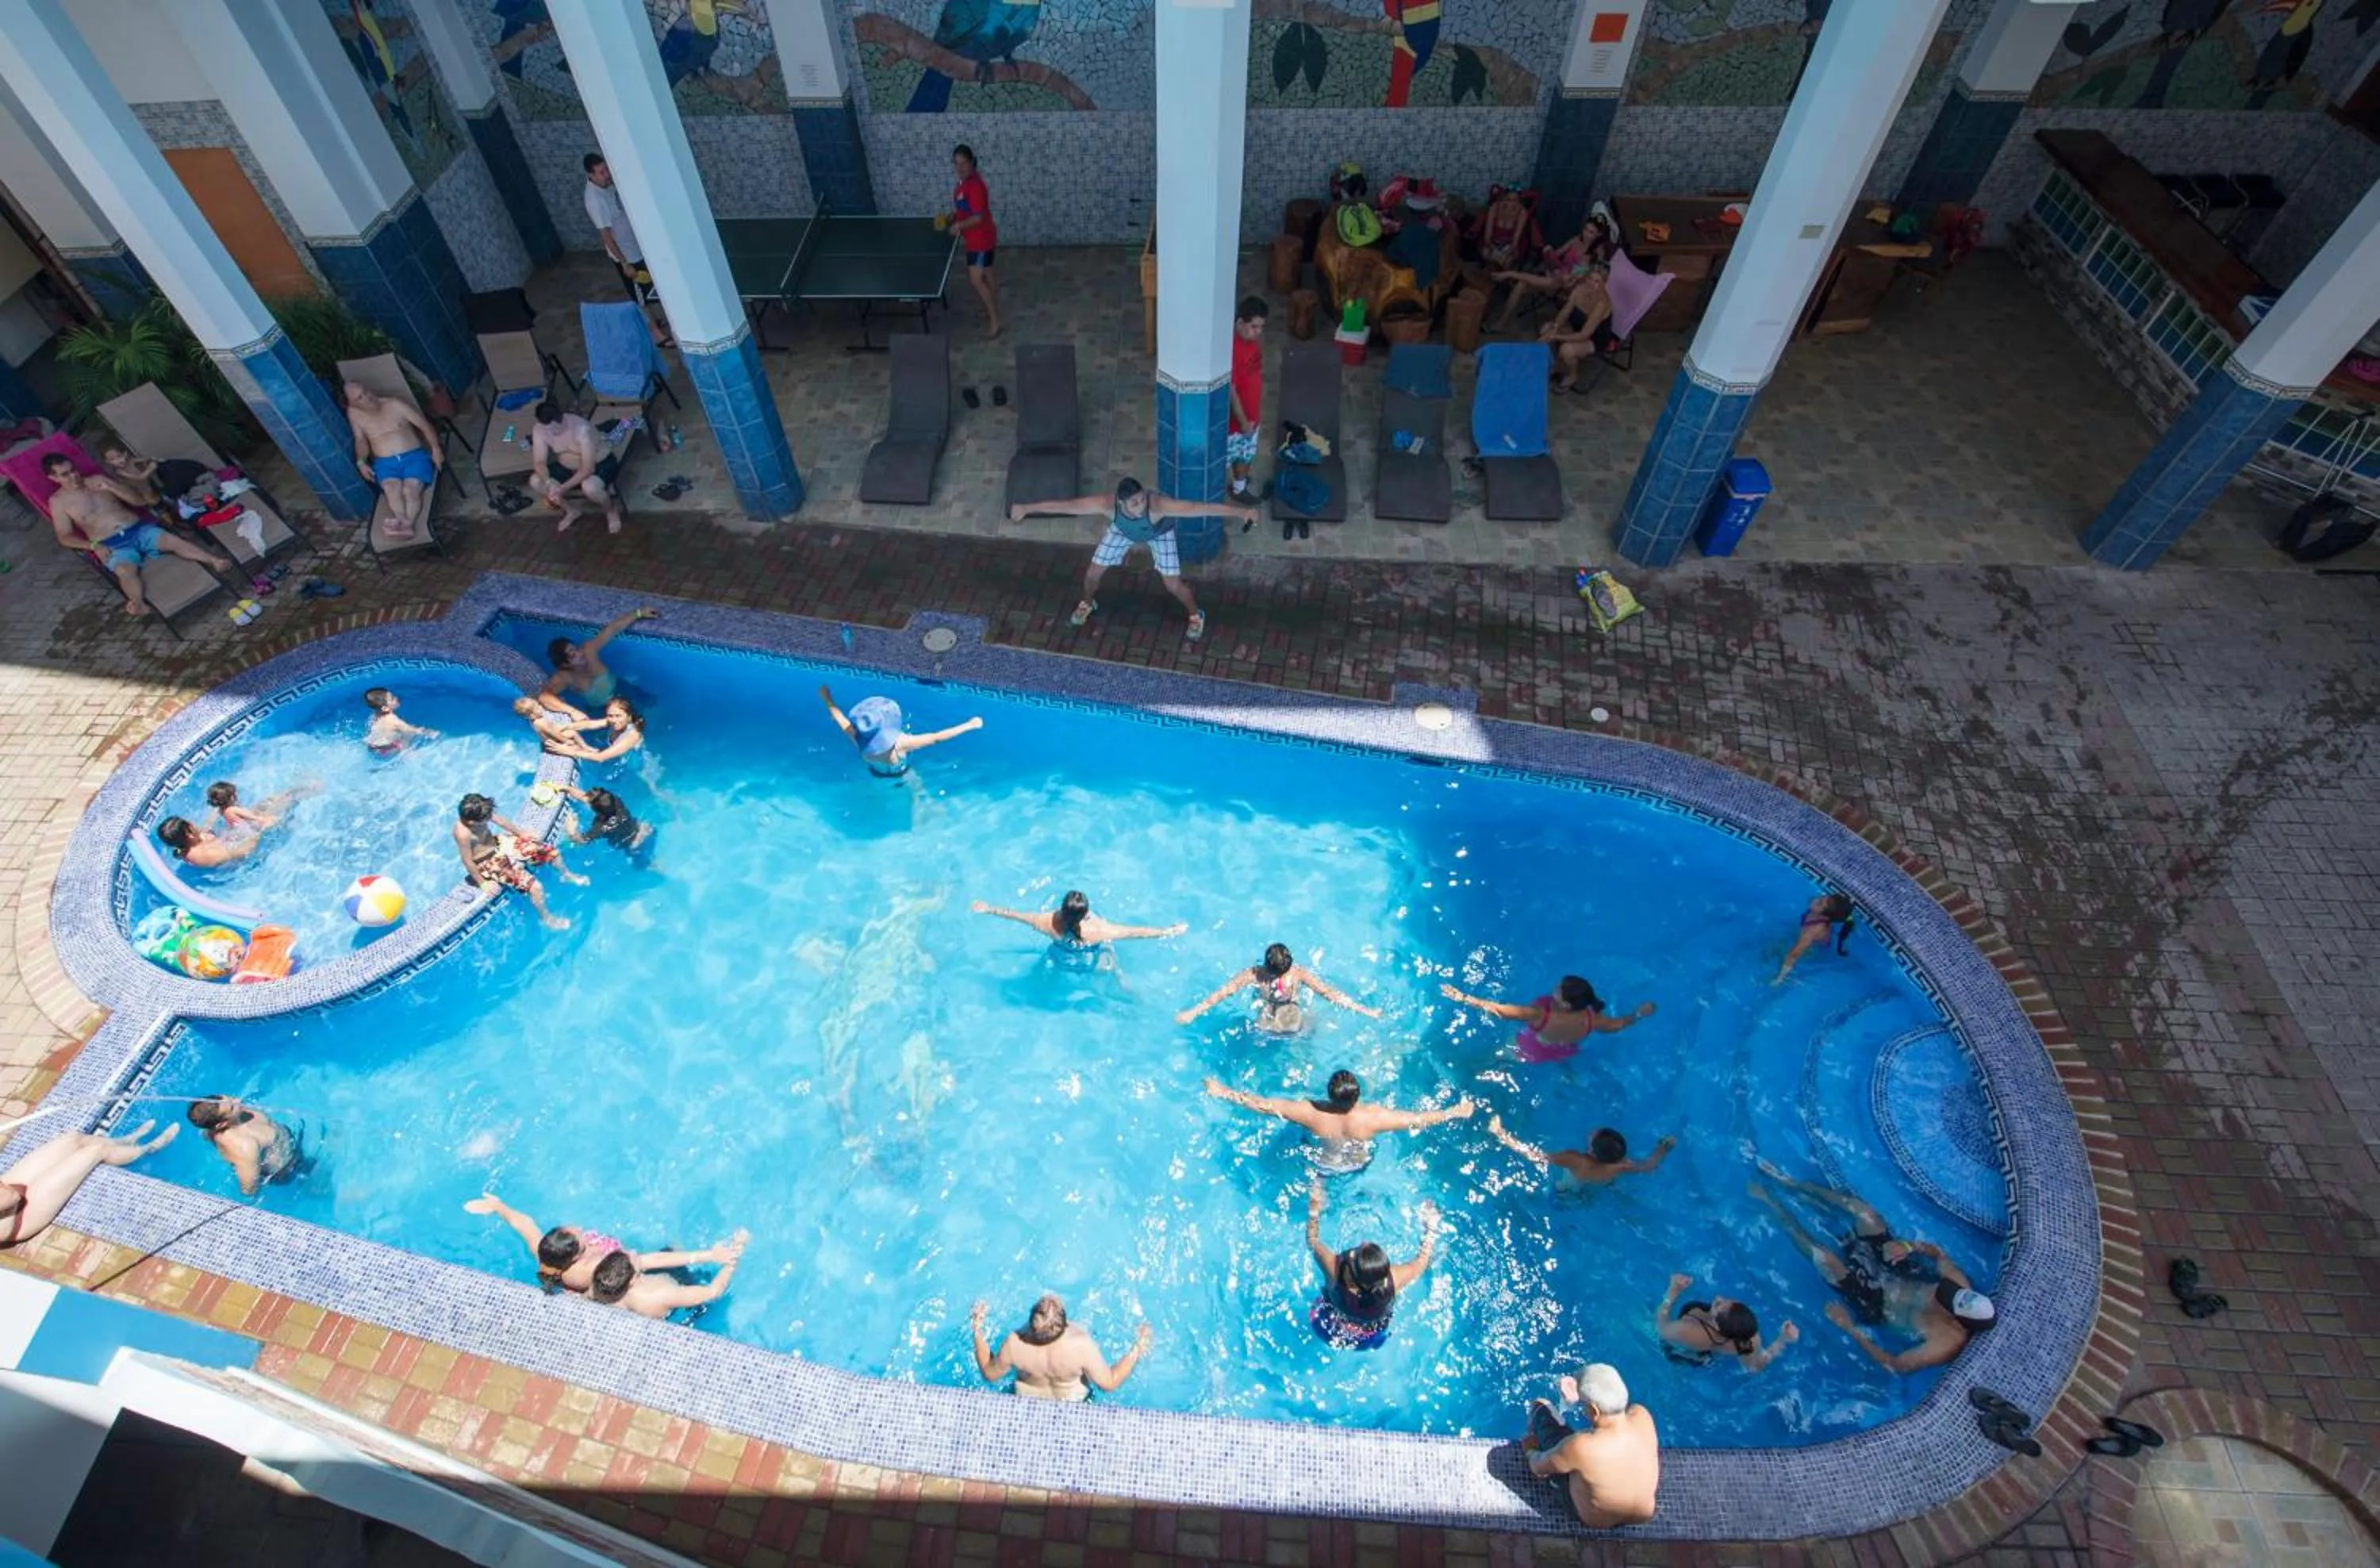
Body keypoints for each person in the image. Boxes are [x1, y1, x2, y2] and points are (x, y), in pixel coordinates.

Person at [1749, 1166, 1995, 1374]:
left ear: (1957, 1319)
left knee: (1822, 1256)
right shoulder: (1958, 1284)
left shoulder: (1945, 1344)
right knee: (1864, 1212)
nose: (1947, 1293)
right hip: (1898, 1270)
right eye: (1952, 1293)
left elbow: (1894, 1364)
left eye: (1949, 1302)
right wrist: (1908, 1247)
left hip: (1874, 1301)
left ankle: (1770, 1205)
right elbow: (1938, 1254)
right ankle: (1790, 1184)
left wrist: (1849, 1328)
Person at [1010, 478, 1257, 645]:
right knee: (1091, 575)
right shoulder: (1107, 505)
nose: (1140, 506)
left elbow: (1199, 508)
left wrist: (1240, 512)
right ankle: (1087, 602)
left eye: (1141, 500)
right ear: (1120, 503)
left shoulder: (1158, 506)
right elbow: (1066, 506)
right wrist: (1026, 508)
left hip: (1159, 533)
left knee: (1173, 585)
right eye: (1134, 503)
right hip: (1123, 531)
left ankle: (1196, 615)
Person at [41, 453, 232, 617]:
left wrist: (112, 488)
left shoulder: (98, 480)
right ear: (53, 478)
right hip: (113, 545)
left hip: (139, 530)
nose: (74, 476)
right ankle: (138, 603)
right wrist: (93, 546)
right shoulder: (58, 502)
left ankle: (214, 561)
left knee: (172, 540)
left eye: (73, 470)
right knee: (125, 572)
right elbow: (64, 537)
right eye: (65, 475)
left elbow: (139, 502)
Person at [463, 1193, 737, 1296]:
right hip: (625, 1285)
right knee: (677, 1273)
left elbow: (524, 1224)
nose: (582, 1230)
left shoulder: (545, 1255)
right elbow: (650, 1261)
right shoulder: (593, 1269)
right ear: (576, 1256)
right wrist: (706, 1255)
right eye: (581, 1237)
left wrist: (499, 1206)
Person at [1204, 1070, 1472, 1174]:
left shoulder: (1311, 1112)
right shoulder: (1374, 1118)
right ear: (1357, 1096)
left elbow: (1264, 1106)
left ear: (1330, 1095)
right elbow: (1418, 1120)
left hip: (1322, 1166)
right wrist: (1454, 1112)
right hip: (1357, 1165)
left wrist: (1223, 1092)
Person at [1306, 1176, 1439, 1348]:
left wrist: (1315, 1206)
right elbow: (1422, 1262)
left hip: (1326, 1323)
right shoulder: (1393, 1280)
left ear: (1351, 1274)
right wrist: (1431, 1227)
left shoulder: (1334, 1270)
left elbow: (1312, 1241)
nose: (1363, 1243)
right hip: (1370, 1337)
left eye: (1357, 1252)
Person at [1522, 1363, 1660, 1528]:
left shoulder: (1581, 1446)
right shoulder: (1642, 1416)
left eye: (1584, 1407)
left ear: (1594, 1411)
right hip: (1642, 1516)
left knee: (1540, 1405)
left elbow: (1538, 1467)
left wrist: (1531, 1450)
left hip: (1594, 1519)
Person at [0, 1122, 178, 1248]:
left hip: (9, 1191)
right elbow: (12, 1198)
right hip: (21, 1216)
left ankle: (127, 1140)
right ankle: (147, 1150)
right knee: (95, 1152)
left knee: (73, 1139)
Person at [970, 1294, 1151, 1401]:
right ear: (1065, 1324)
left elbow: (989, 1374)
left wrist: (977, 1327)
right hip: (1075, 1402)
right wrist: (1139, 1347)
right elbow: (1109, 1383)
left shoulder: (1015, 1343)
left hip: (1024, 1400)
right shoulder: (1081, 1346)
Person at [1440, 975, 1654, 1062]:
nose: (1555, 988)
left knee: (1491, 1059)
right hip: (1565, 1050)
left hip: (1531, 1049)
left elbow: (1500, 1010)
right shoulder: (1592, 1019)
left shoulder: (1540, 1015)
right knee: (1560, 1059)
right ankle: (1567, 1073)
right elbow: (1619, 1025)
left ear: (1566, 1004)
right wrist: (1638, 1013)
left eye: (1559, 990)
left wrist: (1464, 998)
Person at [454, 792, 586, 931]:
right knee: (535, 887)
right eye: (485, 818)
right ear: (472, 822)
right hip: (488, 861)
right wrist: (482, 883)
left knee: (550, 853)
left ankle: (566, 875)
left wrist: (520, 833)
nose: (489, 819)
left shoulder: (481, 812)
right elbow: (467, 860)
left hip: (501, 844)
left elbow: (502, 822)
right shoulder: (463, 834)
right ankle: (546, 918)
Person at [1180, 943, 1380, 1033]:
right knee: (1304, 1033)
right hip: (1295, 1011)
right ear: (1289, 962)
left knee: (1260, 1034)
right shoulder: (1298, 973)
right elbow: (1328, 993)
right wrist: (1364, 1010)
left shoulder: (1254, 974)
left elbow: (1221, 994)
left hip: (1267, 1014)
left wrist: (1193, 1012)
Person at [583, 152, 674, 352]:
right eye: (602, 172)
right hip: (627, 256)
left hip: (636, 247)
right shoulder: (594, 201)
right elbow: (606, 237)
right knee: (639, 296)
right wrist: (625, 263)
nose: (607, 174)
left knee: (648, 289)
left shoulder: (606, 186)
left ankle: (656, 321)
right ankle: (656, 335)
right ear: (591, 175)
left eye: (606, 169)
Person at [343, 380, 442, 543]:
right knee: (391, 488)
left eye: (366, 392)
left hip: (414, 458)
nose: (367, 398)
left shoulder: (394, 405)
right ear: (353, 404)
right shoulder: (354, 414)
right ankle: (402, 519)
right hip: (385, 464)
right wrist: (361, 462)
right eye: (360, 398)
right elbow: (361, 441)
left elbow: (424, 426)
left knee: (409, 490)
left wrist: (436, 449)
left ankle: (407, 524)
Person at [819, 685, 981, 779]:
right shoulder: (901, 744)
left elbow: (840, 719)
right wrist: (969, 725)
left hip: (875, 773)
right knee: (916, 788)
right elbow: (936, 738)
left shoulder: (857, 737)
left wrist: (827, 699)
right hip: (901, 773)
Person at [970, 891, 1185, 962]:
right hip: (1090, 950)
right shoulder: (1099, 930)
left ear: (1062, 909)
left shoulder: (1047, 922)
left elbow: (1016, 916)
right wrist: (1168, 931)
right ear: (1085, 914)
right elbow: (1135, 932)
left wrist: (989, 908)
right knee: (1110, 959)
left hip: (1062, 951)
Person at [589, 1232, 748, 1319]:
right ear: (632, 1280)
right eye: (633, 1257)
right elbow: (713, 1292)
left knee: (672, 1248)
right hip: (680, 1307)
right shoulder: (660, 1295)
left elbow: (654, 1260)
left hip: (659, 1285)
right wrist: (735, 1254)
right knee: (709, 1298)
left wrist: (710, 1255)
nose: (634, 1252)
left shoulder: (606, 1282)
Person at [1656, 1273, 1796, 1372]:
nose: (1718, 1298)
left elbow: (1659, 1327)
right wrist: (1782, 1339)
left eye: (1718, 1304)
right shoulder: (1748, 1337)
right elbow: (1753, 1367)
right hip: (1712, 1349)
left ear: (1716, 1325)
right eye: (1727, 1302)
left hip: (1686, 1352)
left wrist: (1673, 1291)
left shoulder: (1689, 1332)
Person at [528, 400, 625, 535]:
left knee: (590, 488)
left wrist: (561, 489)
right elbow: (539, 462)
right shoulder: (539, 429)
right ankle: (571, 511)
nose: (553, 433)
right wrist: (549, 482)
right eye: (548, 429)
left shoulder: (581, 429)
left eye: (555, 429)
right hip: (567, 467)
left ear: (561, 418)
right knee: (536, 481)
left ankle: (611, 510)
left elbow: (587, 469)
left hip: (598, 464)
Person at [1486, 1118, 1674, 1186]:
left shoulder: (1575, 1160)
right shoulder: (1620, 1166)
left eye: (1594, 1136)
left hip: (1569, 1186)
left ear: (1591, 1150)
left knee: (1560, 1190)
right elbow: (1648, 1166)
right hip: (1601, 1183)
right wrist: (1663, 1148)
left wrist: (1501, 1134)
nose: (1593, 1132)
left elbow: (1536, 1156)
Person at [539, 608, 657, 712]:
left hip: (620, 687)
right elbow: (544, 696)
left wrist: (638, 613)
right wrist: (572, 711)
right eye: (572, 655)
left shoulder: (589, 650)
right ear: (564, 664)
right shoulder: (565, 677)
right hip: (602, 706)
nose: (579, 654)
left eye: (576, 648)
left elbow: (612, 629)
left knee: (653, 703)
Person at [185, 1095, 302, 1196]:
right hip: (287, 1170)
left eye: (230, 1098)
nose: (238, 1100)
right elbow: (249, 1190)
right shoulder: (245, 1148)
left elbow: (206, 1132)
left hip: (289, 1145)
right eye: (232, 1107)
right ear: (222, 1124)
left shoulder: (231, 1119)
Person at [941, 144, 1000, 338]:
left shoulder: (974, 186)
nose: (960, 167)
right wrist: (953, 216)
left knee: (976, 279)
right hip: (979, 237)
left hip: (980, 239)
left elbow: (978, 217)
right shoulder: (961, 183)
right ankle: (992, 309)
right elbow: (965, 208)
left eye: (964, 163)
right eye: (957, 163)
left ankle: (994, 320)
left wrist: (958, 226)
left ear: (972, 162)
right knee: (987, 274)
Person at [1541, 262, 1614, 393]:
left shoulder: (1602, 303)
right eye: (1590, 279)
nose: (1591, 283)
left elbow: (1584, 335)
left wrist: (1555, 337)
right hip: (1576, 329)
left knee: (1566, 349)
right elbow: (1565, 312)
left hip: (1594, 339)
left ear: (1604, 283)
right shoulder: (1579, 289)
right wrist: (1556, 326)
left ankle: (1572, 375)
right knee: (1547, 328)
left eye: (1597, 281)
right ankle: (1556, 365)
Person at [1227, 295, 1268, 505]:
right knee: (1238, 453)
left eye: (1261, 327)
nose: (1258, 332)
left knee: (1245, 454)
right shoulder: (1232, 350)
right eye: (1254, 326)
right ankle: (1237, 488)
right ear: (1240, 323)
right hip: (1237, 423)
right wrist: (1243, 422)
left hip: (1252, 416)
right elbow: (1231, 391)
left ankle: (1238, 485)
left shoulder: (1252, 345)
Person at [1774, 892, 1856, 983]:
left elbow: (1794, 955)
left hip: (1812, 950)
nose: (1816, 899)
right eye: (1821, 897)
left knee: (1775, 953)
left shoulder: (1814, 930)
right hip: (1806, 938)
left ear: (1825, 915)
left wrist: (1780, 978)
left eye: (1819, 902)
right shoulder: (1816, 910)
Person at [561, 784, 652, 855]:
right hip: (640, 830)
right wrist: (567, 788)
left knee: (635, 855)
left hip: (628, 844)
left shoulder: (600, 826)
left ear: (594, 809)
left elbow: (582, 841)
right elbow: (589, 799)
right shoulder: (617, 803)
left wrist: (571, 831)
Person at [202, 782, 316, 838]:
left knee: (267, 802)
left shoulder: (222, 810)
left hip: (243, 830)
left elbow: (210, 823)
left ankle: (292, 791)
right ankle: (297, 791)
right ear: (232, 797)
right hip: (253, 829)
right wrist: (273, 820)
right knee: (281, 805)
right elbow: (256, 819)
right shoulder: (234, 809)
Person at [156, 814, 270, 870]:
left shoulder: (186, 843)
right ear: (189, 833)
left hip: (227, 841)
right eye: (190, 824)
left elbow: (205, 829)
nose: (193, 824)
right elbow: (243, 851)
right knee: (268, 818)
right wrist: (263, 830)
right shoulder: (206, 855)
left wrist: (216, 812)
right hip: (240, 862)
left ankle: (287, 794)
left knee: (261, 808)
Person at [363, 687, 438, 758]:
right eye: (392, 699)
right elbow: (412, 730)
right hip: (387, 749)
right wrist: (429, 732)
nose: (396, 698)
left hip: (372, 748)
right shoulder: (393, 720)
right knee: (406, 738)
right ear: (385, 708)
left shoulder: (374, 716)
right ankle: (408, 758)